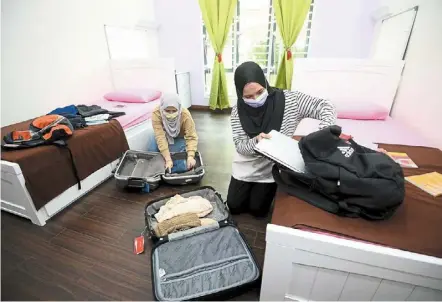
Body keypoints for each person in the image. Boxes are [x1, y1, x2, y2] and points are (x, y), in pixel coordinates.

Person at [227, 61, 337, 217]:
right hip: (246, 164)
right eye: (249, 97)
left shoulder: (290, 101)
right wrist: (256, 142)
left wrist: (323, 133)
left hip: (269, 169)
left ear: (265, 83)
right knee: (234, 206)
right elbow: (240, 146)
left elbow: (325, 106)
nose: (256, 99)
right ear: (240, 94)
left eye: (259, 92)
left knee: (258, 210)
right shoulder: (238, 110)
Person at [148, 93, 198, 172]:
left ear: (179, 108)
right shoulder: (156, 113)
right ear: (162, 108)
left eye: (174, 111)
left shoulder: (185, 115)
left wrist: (191, 156)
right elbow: (160, 137)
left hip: (179, 137)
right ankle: (160, 170)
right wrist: (168, 159)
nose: (171, 114)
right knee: (151, 150)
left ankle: (163, 170)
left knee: (182, 165)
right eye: (167, 111)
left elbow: (191, 137)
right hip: (163, 135)